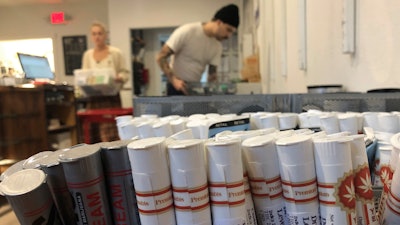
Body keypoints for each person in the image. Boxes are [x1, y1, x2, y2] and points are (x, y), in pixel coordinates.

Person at [156, 4, 239, 95]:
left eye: (232, 32)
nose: (229, 36)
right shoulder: (187, 31)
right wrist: (173, 79)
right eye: (228, 30)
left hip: (195, 87)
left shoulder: (217, 47)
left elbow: (212, 75)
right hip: (175, 86)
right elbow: (161, 57)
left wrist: (214, 91)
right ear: (219, 22)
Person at [81, 21, 129, 142]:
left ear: (105, 35)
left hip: (111, 98)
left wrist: (119, 77)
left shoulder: (115, 53)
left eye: (100, 33)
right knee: (94, 135)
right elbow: (84, 75)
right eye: (94, 34)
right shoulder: (87, 55)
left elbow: (125, 73)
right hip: (94, 98)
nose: (97, 36)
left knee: (110, 134)